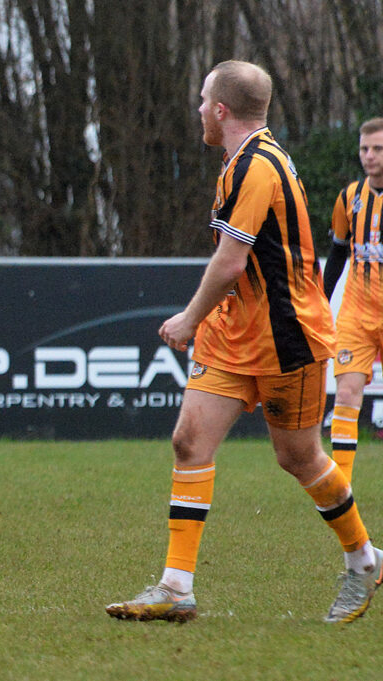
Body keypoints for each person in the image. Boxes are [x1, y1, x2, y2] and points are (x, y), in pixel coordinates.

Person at [105, 61, 382, 624]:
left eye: (204, 100)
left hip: (289, 339)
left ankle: (362, 561)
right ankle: (176, 587)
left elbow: (230, 262)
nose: (200, 109)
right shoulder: (240, 160)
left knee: (298, 458)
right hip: (235, 334)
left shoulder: (258, 166)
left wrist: (186, 319)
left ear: (222, 110)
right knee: (189, 442)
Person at [322, 117, 383, 484]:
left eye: (378, 149)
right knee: (345, 395)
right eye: (364, 149)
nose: (370, 157)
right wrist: (318, 303)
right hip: (357, 314)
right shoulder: (350, 197)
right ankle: (339, 488)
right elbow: (337, 255)